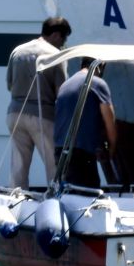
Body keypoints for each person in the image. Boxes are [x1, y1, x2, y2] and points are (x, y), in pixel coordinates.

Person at [5, 16, 72, 189]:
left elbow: (9, 84)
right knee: (53, 164)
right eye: (64, 39)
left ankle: (16, 199)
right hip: (42, 115)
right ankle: (56, 197)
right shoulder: (55, 56)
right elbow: (62, 93)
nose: (63, 44)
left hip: (14, 113)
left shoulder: (18, 51)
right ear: (57, 35)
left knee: (18, 164)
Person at [53, 57, 117, 188]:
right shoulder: (98, 83)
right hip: (81, 152)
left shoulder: (66, 84)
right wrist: (111, 149)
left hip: (60, 150)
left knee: (68, 192)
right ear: (100, 66)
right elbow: (110, 122)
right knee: (88, 193)